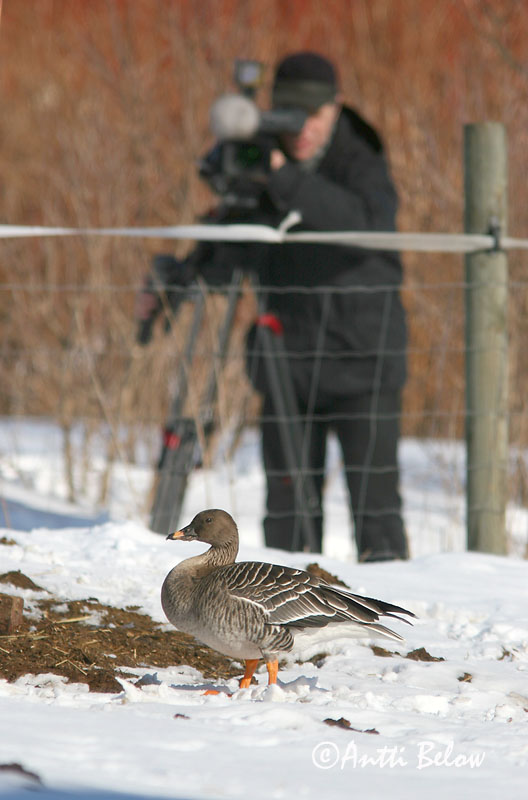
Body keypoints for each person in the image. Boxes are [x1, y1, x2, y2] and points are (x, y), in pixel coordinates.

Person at [144, 52, 409, 561]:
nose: (302, 128)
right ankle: (284, 608)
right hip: (286, 362)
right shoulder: (261, 156)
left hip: (363, 364)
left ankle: (388, 626)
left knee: (376, 510)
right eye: (291, 115)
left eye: (314, 115)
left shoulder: (361, 158)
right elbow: (238, 240)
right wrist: (177, 275)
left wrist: (284, 177)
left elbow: (364, 224)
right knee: (286, 508)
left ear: (337, 107)